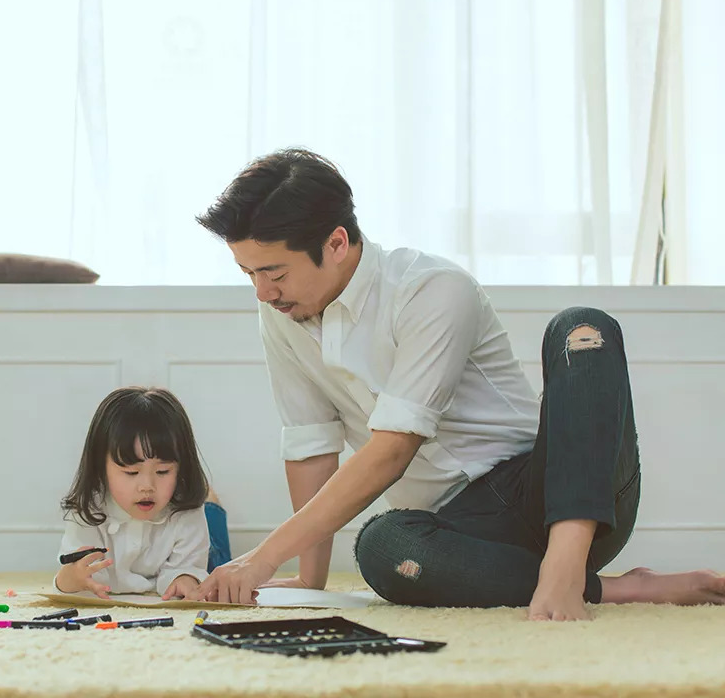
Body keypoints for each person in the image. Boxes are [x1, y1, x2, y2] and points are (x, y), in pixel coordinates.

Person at [187, 148, 725, 620]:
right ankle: (619, 590)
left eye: (275, 273)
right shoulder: (281, 316)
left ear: (335, 242)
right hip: (461, 529)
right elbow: (310, 443)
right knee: (381, 544)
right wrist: (309, 579)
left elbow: (395, 448)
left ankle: (566, 565)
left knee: (583, 328)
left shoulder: (431, 289)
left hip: (554, 486)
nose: (262, 292)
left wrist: (260, 557)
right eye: (249, 274)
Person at [55, 386, 232, 600]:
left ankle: (211, 505)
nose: (147, 486)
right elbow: (71, 574)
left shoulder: (186, 511)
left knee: (219, 569)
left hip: (191, 523)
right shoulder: (88, 510)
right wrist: (69, 580)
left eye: (162, 471)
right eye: (131, 472)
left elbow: (188, 567)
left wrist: (185, 577)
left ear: (181, 467)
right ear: (100, 468)